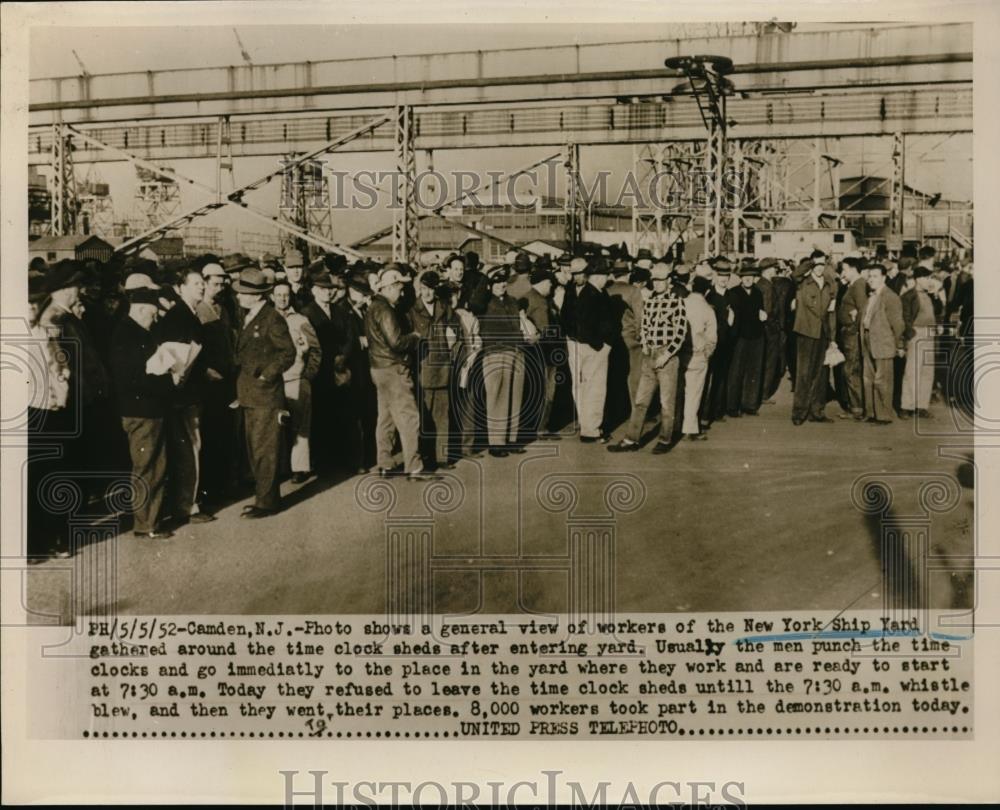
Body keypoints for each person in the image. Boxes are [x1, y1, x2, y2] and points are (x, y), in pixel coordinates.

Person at [109, 287, 176, 540]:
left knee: (149, 465)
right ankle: (147, 523)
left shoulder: (132, 331)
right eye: (152, 313)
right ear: (139, 309)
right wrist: (168, 381)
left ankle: (147, 519)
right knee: (150, 466)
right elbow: (136, 378)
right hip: (143, 410)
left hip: (144, 409)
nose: (155, 318)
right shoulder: (129, 334)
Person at [154, 265, 218, 526]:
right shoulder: (180, 317)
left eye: (202, 282)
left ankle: (185, 503)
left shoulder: (187, 314)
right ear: (180, 288)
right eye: (195, 284)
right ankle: (187, 506)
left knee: (188, 448)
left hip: (187, 393)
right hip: (184, 395)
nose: (201, 286)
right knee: (190, 449)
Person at [232, 267, 296, 517]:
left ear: (256, 295)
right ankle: (263, 496)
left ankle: (267, 502)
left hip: (265, 394)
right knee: (255, 449)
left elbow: (288, 353)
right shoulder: (250, 316)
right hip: (250, 394)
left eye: (243, 293)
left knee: (264, 450)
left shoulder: (271, 318)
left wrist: (267, 374)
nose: (238, 297)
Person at [608, 262, 688, 454]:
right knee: (640, 401)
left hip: (666, 358)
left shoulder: (677, 301)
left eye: (662, 280)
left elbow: (680, 332)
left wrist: (667, 355)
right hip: (648, 356)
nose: (658, 284)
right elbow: (644, 325)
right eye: (656, 280)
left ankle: (665, 439)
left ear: (668, 281)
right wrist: (644, 343)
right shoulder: (650, 301)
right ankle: (631, 439)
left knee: (666, 404)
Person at [365, 265, 434, 480]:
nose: (402, 293)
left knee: (385, 418)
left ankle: (385, 463)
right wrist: (414, 336)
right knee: (409, 417)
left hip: (379, 368)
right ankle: (414, 467)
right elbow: (396, 341)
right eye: (399, 288)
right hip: (394, 369)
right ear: (390, 287)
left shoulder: (373, 307)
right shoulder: (385, 310)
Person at [301, 271, 352, 475]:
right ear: (314, 291)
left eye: (329, 290)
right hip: (319, 370)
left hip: (338, 368)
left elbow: (350, 338)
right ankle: (322, 462)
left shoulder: (340, 312)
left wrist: (343, 356)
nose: (326, 294)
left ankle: (338, 459)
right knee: (320, 416)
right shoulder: (307, 313)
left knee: (338, 413)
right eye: (322, 290)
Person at [272, 279, 322, 482]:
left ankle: (299, 468)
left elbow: (316, 350)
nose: (282, 298)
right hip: (275, 382)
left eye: (286, 294)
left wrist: (308, 375)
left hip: (296, 380)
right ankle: (279, 468)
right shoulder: (267, 318)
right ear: (272, 297)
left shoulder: (300, 320)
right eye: (278, 295)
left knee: (300, 426)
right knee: (275, 427)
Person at [408, 270, 457, 470]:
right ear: (419, 288)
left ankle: (442, 457)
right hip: (423, 368)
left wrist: (452, 338)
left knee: (442, 414)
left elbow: (456, 328)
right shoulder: (412, 310)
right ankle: (427, 457)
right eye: (424, 288)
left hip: (442, 366)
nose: (427, 293)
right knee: (425, 416)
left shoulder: (443, 308)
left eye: (431, 289)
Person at [478, 267, 527, 457]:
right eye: (496, 282)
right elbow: (475, 302)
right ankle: (496, 443)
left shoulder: (512, 302)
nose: (501, 285)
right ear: (490, 285)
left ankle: (511, 439)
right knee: (497, 398)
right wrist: (486, 276)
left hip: (515, 351)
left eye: (503, 282)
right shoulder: (484, 302)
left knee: (515, 397)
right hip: (495, 353)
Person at [790, 254, 838, 425]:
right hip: (806, 332)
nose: (819, 267)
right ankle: (799, 413)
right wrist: (811, 262)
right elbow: (795, 274)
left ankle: (816, 412)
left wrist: (832, 338)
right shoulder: (803, 281)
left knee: (820, 375)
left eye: (822, 264)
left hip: (822, 334)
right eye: (816, 264)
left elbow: (831, 313)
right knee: (803, 374)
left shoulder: (829, 284)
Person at [574, 257, 615, 443]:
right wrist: (602, 345)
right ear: (598, 276)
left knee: (588, 388)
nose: (608, 278)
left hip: (586, 346)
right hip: (594, 348)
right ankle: (591, 430)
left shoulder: (588, 292)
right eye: (606, 275)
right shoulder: (594, 295)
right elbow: (586, 325)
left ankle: (588, 426)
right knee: (595, 389)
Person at [860, 264, 906, 425]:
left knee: (882, 380)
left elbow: (898, 325)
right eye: (869, 276)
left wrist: (898, 344)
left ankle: (883, 416)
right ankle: (871, 412)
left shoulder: (890, 297)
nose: (871, 279)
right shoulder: (871, 296)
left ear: (884, 278)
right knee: (868, 379)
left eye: (875, 276)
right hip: (868, 340)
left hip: (883, 343)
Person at [520, 266, 562, 440]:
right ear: (544, 282)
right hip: (546, 353)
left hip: (531, 352)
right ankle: (541, 428)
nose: (551, 287)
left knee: (533, 390)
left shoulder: (526, 297)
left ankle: (530, 426)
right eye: (550, 283)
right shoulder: (541, 302)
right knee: (547, 391)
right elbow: (546, 330)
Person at [725, 264, 767, 418]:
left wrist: (763, 316)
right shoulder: (734, 293)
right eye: (745, 276)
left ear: (755, 278)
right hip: (740, 338)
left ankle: (749, 404)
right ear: (741, 278)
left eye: (751, 276)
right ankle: (732, 406)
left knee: (754, 371)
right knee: (736, 372)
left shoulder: (758, 293)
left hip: (757, 336)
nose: (748, 279)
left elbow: (761, 311)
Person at [681, 275, 717, 441]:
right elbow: (712, 338)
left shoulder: (681, 303)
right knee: (693, 393)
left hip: (678, 353)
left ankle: (672, 426)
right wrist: (707, 354)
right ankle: (690, 429)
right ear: (707, 291)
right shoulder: (708, 310)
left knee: (677, 392)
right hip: (697, 355)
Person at [900, 266, 937, 418]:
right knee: (912, 371)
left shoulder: (929, 295)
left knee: (927, 372)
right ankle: (906, 406)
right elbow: (905, 317)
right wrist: (911, 333)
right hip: (917, 334)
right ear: (918, 279)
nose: (929, 281)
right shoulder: (909, 296)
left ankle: (921, 405)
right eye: (927, 278)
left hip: (929, 334)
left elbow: (937, 312)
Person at [835, 256, 868, 421]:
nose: (842, 273)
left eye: (844, 269)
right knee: (850, 369)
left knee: (851, 370)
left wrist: (853, 328)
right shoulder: (854, 285)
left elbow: (862, 309)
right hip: (849, 333)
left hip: (852, 335)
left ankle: (857, 408)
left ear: (853, 269)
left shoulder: (858, 285)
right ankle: (856, 406)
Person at [702, 260, 734, 426]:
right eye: (720, 275)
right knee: (709, 379)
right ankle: (705, 415)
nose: (723, 279)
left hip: (726, 343)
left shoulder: (731, 296)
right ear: (714, 276)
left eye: (726, 276)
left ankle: (718, 410)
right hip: (712, 344)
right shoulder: (709, 297)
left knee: (721, 377)